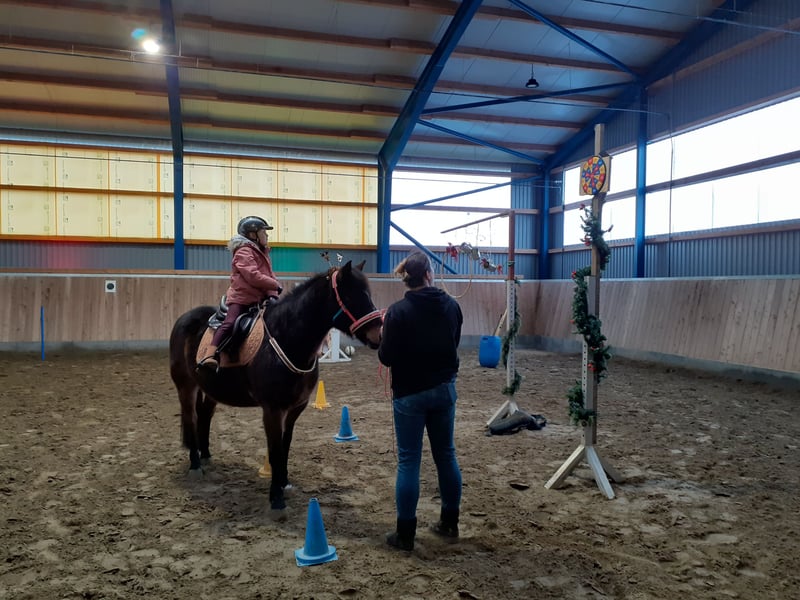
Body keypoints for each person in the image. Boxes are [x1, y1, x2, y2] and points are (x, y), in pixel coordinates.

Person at [378, 251, 464, 551]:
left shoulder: (397, 312)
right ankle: (450, 522)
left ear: (407, 279)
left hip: (409, 394)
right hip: (443, 389)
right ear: (428, 274)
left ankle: (405, 534)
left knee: (409, 461)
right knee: (446, 455)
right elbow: (454, 342)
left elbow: (386, 357)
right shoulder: (452, 306)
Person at [198, 215, 282, 369]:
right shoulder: (243, 252)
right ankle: (209, 354)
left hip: (259, 299)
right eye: (263, 232)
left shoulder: (262, 253)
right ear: (253, 235)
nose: (267, 235)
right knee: (230, 323)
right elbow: (253, 276)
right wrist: (274, 284)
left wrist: (273, 294)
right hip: (241, 298)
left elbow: (269, 275)